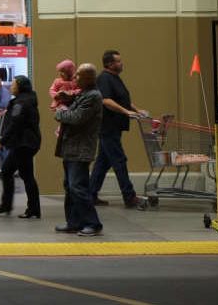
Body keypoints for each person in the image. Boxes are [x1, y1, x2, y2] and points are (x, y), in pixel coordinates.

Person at [90, 50, 150, 209]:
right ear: (110, 64)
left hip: (114, 128)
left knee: (103, 162)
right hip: (107, 127)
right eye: (118, 61)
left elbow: (124, 100)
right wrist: (126, 112)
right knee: (119, 160)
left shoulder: (115, 79)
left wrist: (137, 110)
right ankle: (129, 196)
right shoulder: (104, 79)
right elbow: (106, 100)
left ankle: (90, 195)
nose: (121, 63)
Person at [55, 64, 105, 236]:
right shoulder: (83, 94)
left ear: (88, 78)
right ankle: (74, 222)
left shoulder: (93, 97)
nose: (74, 78)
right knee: (70, 187)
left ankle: (93, 223)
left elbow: (76, 118)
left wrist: (60, 112)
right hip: (71, 148)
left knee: (78, 187)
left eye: (78, 76)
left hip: (81, 149)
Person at [0, 76, 42, 219]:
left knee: (22, 175)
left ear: (20, 87)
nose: (10, 87)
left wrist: (1, 141)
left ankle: (30, 209)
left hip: (23, 144)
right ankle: (10, 206)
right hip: (26, 143)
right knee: (12, 172)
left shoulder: (21, 103)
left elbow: (15, 124)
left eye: (13, 85)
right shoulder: (27, 99)